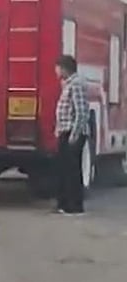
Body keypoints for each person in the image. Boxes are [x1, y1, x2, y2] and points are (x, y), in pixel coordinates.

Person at [54, 54, 90, 215]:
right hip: (65, 130)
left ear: (64, 68)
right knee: (64, 169)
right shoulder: (67, 84)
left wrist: (74, 134)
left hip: (72, 132)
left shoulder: (76, 85)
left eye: (57, 67)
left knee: (72, 170)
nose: (56, 71)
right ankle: (64, 204)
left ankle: (75, 206)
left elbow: (81, 112)